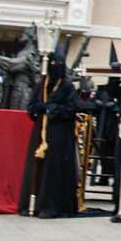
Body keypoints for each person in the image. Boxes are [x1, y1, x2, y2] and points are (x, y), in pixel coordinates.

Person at [18, 47, 80, 219]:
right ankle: (33, 204)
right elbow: (31, 107)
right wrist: (42, 108)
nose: (55, 66)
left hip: (59, 134)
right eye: (53, 63)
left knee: (54, 169)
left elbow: (73, 108)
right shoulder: (42, 84)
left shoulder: (67, 86)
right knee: (37, 168)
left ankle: (52, 206)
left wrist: (56, 110)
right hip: (40, 132)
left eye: (58, 64)